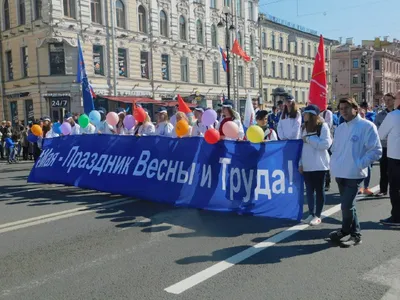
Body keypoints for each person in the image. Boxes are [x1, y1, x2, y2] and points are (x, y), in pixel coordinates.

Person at [329, 97, 382, 247]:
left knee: (346, 206)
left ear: (355, 109)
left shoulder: (366, 126)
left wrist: (360, 164)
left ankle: (350, 232)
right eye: (341, 109)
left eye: (346, 108)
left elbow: (376, 151)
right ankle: (350, 233)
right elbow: (335, 149)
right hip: (340, 172)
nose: (343, 111)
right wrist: (334, 163)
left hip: (355, 173)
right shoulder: (340, 128)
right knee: (349, 205)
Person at [299, 105, 332, 226]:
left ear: (312, 115)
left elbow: (326, 144)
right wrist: (300, 163)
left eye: (305, 113)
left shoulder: (323, 126)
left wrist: (309, 139)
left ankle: (318, 215)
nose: (303, 115)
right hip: (307, 165)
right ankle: (311, 213)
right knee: (309, 191)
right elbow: (301, 148)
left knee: (319, 191)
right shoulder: (303, 127)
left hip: (320, 165)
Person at [378, 91, 400, 226]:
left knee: (395, 188)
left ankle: (397, 217)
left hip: (396, 156)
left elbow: (380, 135)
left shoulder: (393, 116)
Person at [374, 92, 395, 196]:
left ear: (394, 100)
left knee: (395, 169)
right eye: (385, 100)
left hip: (396, 146)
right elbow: (376, 129)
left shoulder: (397, 114)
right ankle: (383, 189)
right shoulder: (380, 115)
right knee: (384, 169)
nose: (387, 102)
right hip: (385, 146)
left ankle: (395, 189)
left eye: (389, 100)